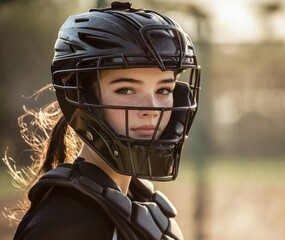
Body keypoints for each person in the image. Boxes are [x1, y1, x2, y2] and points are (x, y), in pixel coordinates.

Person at [9, 1, 201, 239]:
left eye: (163, 90)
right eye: (126, 90)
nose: (152, 109)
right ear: (83, 99)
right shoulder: (65, 222)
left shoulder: (137, 199)